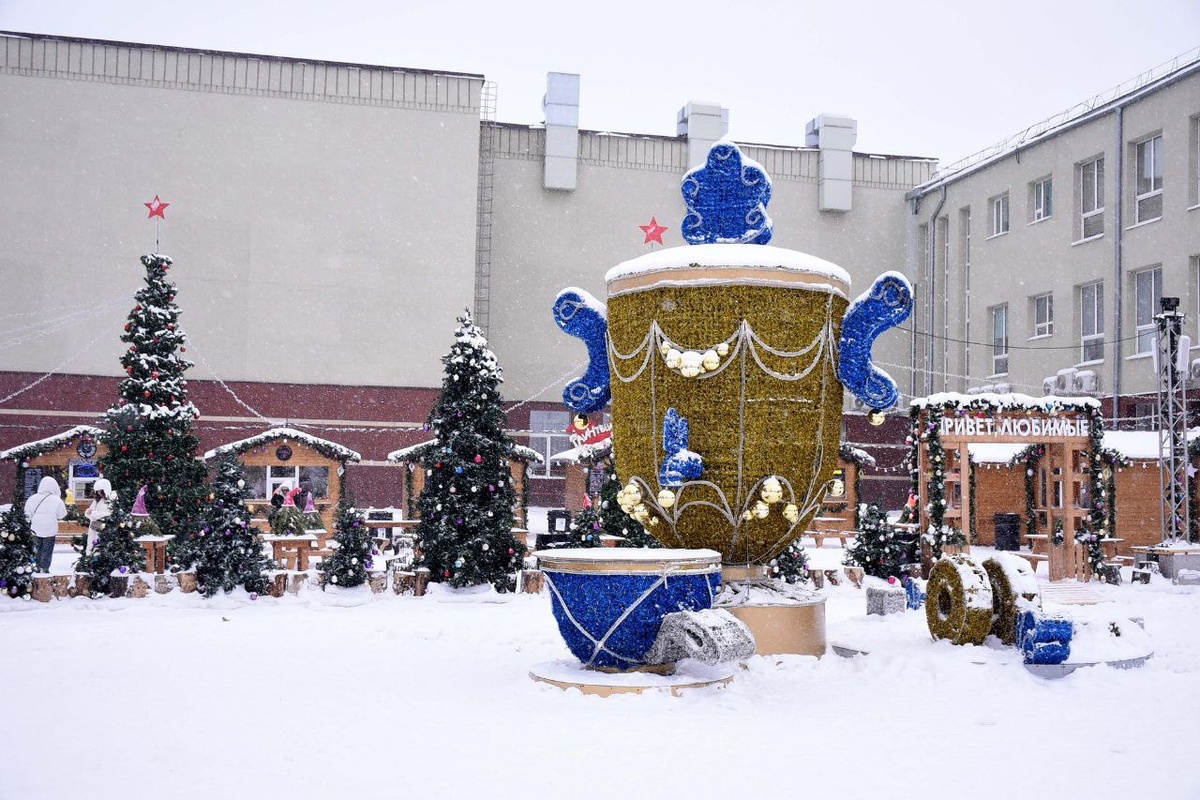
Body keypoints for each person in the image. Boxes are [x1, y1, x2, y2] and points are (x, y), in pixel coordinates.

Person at [24, 475, 68, 574]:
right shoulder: (57, 500)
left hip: (35, 529)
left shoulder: (32, 498)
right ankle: (45, 568)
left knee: (37, 549)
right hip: (50, 529)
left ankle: (36, 567)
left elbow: (27, 515)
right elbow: (62, 515)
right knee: (47, 550)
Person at [84, 478, 115, 554]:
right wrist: (88, 512)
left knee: (99, 547)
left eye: (100, 490)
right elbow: (90, 512)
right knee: (92, 545)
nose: (98, 493)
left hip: (103, 528)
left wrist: (93, 513)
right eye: (97, 491)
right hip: (94, 526)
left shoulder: (111, 499)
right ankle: (91, 561)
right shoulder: (98, 500)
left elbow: (110, 515)